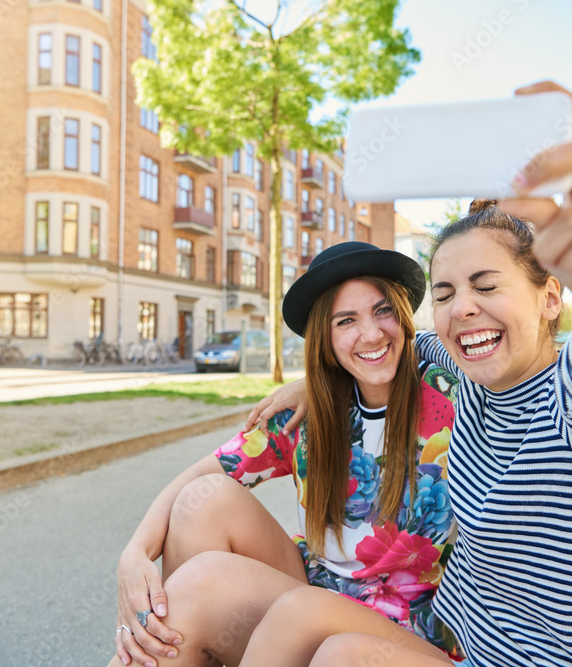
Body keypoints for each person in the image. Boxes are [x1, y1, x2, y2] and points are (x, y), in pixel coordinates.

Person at [242, 81, 572, 666]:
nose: (463, 308)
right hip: (465, 652)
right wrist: (321, 377)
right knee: (298, 619)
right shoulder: (462, 364)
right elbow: (396, 345)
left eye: (487, 285)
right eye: (446, 293)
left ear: (551, 297)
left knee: (339, 657)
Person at [111, 242, 463, 667]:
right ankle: (177, 648)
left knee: (292, 609)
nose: (370, 334)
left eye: (383, 311)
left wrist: (411, 344)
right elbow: (203, 471)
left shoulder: (453, 398)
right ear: (325, 337)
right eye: (346, 321)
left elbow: (473, 349)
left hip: (405, 628)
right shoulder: (308, 411)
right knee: (201, 502)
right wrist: (134, 554)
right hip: (314, 596)